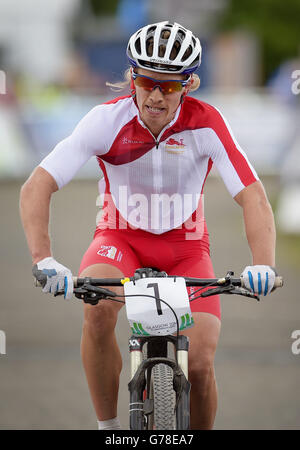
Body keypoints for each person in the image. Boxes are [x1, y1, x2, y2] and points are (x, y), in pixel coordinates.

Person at [20, 21, 277, 430]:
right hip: (118, 239)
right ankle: (107, 429)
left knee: (201, 364)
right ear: (132, 78)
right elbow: (37, 186)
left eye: (169, 87)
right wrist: (44, 259)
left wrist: (263, 263)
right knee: (99, 312)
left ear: (188, 84)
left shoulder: (207, 123)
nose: (156, 95)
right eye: (146, 81)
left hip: (187, 247)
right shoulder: (105, 121)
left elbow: (253, 195)